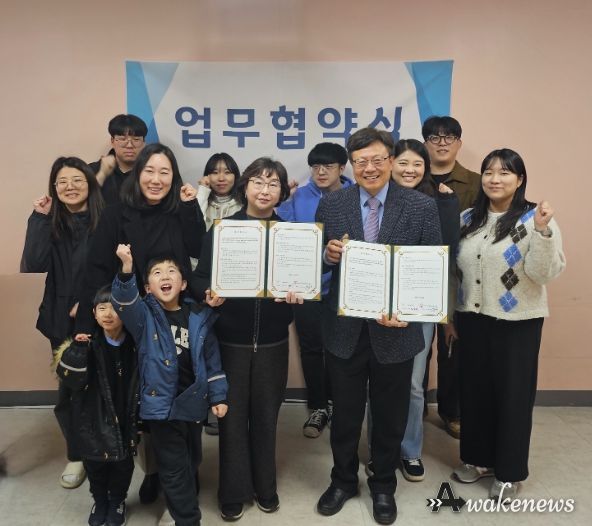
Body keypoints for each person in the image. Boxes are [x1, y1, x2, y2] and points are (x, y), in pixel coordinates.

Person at [315, 128, 441, 525]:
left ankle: (383, 485)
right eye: (360, 162)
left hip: (396, 330)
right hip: (345, 330)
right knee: (346, 415)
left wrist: (408, 310)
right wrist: (327, 255)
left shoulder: (420, 206)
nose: (368, 168)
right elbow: (317, 263)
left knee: (389, 415)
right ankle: (342, 480)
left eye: (376, 159)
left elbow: (430, 268)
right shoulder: (333, 204)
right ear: (351, 165)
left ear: (390, 160)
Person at [75, 142, 206, 517]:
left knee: (181, 401)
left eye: (165, 172)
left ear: (174, 177)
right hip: (131, 321)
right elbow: (97, 269)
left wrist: (190, 208)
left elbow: (199, 250)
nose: (156, 179)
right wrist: (87, 323)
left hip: (175, 320)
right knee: (145, 407)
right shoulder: (117, 213)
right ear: (137, 174)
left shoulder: (180, 208)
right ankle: (155, 471)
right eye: (150, 171)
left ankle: (184, 474)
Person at [450, 148, 565, 499]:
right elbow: (457, 272)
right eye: (488, 172)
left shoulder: (534, 219)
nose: (494, 179)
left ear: (519, 179)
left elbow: (543, 273)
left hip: (517, 323)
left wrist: (542, 232)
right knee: (475, 392)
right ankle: (477, 459)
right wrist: (452, 315)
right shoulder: (468, 218)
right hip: (473, 319)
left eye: (504, 173)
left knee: (513, 397)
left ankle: (510, 472)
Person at [191, 157, 301, 521]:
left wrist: (299, 292)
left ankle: (265, 487)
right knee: (231, 419)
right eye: (258, 182)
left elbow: (305, 281)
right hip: (230, 342)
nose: (265, 190)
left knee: (267, 417)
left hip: (273, 342)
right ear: (245, 187)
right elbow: (199, 277)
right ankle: (232, 490)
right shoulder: (223, 230)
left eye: (273, 184)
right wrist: (208, 292)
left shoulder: (291, 235)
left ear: (282, 192)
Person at [112, 246, 228, 526]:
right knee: (174, 467)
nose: (165, 276)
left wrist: (218, 396)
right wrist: (126, 268)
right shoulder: (144, 317)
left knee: (192, 459)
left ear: (183, 283)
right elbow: (124, 302)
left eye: (171, 271)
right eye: (157, 272)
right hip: (162, 408)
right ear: (147, 288)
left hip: (193, 403)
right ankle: (188, 519)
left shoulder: (199, 317)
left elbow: (212, 361)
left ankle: (180, 499)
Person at [21, 156, 104, 489]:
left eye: (77, 180)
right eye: (62, 182)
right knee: (71, 389)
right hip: (59, 319)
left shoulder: (107, 219)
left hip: (103, 317)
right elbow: (34, 263)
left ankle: (110, 447)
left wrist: (90, 301)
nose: (70, 187)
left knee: (106, 385)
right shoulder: (50, 222)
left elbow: (118, 268)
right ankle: (77, 455)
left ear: (90, 184)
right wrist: (39, 218)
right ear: (54, 188)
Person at [383, 139, 459, 482]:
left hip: (421, 304)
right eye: (403, 162)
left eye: (417, 164)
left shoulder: (439, 200)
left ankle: (410, 450)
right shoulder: (374, 200)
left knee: (414, 384)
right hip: (380, 304)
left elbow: (448, 256)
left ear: (425, 169)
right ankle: (382, 449)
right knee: (380, 382)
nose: (409, 170)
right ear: (390, 164)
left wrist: (444, 313)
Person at [276, 142, 353, 438]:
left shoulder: (356, 195)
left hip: (344, 288)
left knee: (341, 348)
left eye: (328, 166)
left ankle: (337, 404)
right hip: (307, 286)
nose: (321, 172)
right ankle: (318, 406)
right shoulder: (300, 196)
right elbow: (283, 230)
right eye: (316, 167)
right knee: (310, 347)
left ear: (341, 168)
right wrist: (285, 198)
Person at [54, 286, 137, 526]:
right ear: (94, 313)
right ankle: (100, 501)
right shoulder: (88, 343)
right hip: (93, 419)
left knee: (123, 464)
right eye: (102, 308)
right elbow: (70, 380)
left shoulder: (134, 343)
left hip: (124, 415)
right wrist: (77, 351)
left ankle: (117, 501)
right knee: (95, 463)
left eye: (115, 309)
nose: (108, 314)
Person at [421, 115, 481, 439]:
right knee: (415, 347)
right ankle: (415, 406)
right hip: (417, 275)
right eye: (435, 137)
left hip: (458, 276)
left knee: (453, 348)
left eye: (449, 137)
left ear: (459, 143)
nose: (442, 142)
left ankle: (451, 411)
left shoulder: (475, 182)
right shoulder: (412, 177)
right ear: (425, 143)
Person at [89, 114, 148, 205]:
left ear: (144, 142)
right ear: (112, 141)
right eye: (122, 139)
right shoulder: (93, 170)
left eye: (136, 139)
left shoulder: (151, 173)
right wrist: (102, 174)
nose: (129, 145)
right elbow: (82, 202)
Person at [197, 152, 243, 231]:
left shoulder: (245, 204)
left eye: (227, 172)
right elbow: (192, 226)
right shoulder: (201, 200)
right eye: (215, 173)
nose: (221, 179)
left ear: (235, 176)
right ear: (207, 176)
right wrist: (203, 192)